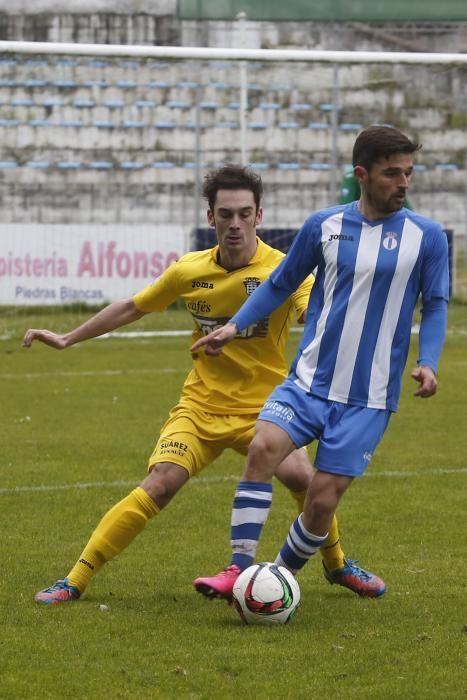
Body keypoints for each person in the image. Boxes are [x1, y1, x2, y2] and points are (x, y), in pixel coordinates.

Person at [25, 165, 383, 606]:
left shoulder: (283, 271)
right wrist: (68, 337)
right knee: (159, 483)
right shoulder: (188, 271)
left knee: (305, 479)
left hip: (267, 410)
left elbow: (313, 309)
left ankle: (337, 564)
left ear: (259, 215)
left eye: (244, 214)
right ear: (210, 217)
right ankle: (74, 579)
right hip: (201, 407)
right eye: (226, 214)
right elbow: (133, 307)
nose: (235, 224)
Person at [192, 127, 449, 601]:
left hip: (368, 396)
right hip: (309, 381)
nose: (403, 183)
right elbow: (280, 283)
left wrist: (428, 361)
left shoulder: (427, 237)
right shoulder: (324, 225)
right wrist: (233, 326)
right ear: (362, 175)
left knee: (322, 498)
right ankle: (238, 568)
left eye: (408, 173)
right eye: (392, 173)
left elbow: (434, 305)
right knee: (262, 448)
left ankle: (276, 580)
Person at [339, 166, 412, 209]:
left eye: (407, 174)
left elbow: (406, 206)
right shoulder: (351, 177)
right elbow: (344, 206)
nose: (405, 184)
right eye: (390, 174)